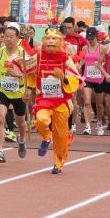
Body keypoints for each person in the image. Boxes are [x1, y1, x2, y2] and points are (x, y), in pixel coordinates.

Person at [31, 28, 77, 174]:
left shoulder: (66, 59)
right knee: (41, 120)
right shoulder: (38, 57)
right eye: (48, 40)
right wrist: (20, 73)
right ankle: (46, 137)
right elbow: (27, 69)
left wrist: (63, 77)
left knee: (61, 135)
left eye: (54, 40)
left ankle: (58, 163)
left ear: (60, 42)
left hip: (61, 101)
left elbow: (76, 78)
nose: (50, 42)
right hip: (44, 99)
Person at [0, 24, 29, 161]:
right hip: (2, 90)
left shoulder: (23, 54)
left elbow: (32, 75)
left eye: (11, 37)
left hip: (18, 93)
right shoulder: (0, 51)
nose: (8, 39)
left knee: (21, 123)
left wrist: (19, 74)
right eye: (6, 36)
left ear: (18, 38)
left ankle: (22, 140)